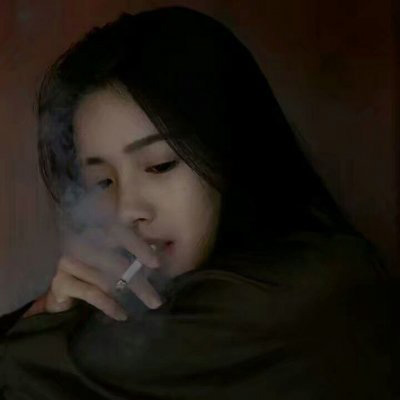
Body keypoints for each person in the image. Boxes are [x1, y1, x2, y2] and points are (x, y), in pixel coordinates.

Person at [0, 6, 396, 399]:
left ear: (229, 149)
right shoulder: (138, 300)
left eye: (160, 165)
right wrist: (51, 308)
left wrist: (51, 324)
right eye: (102, 182)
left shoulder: (313, 292)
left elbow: (24, 373)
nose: (127, 209)